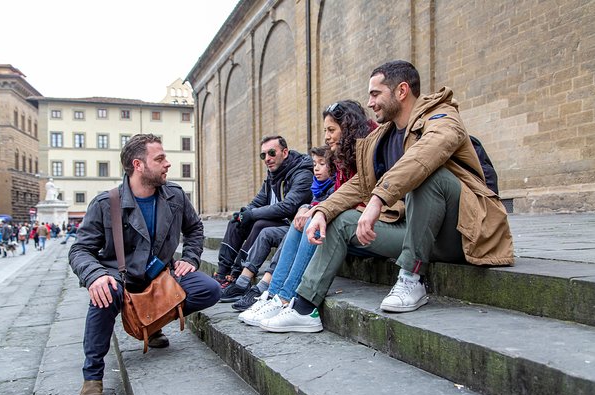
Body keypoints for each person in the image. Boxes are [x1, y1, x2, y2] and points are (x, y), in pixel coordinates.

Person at [257, 60, 514, 333]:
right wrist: (322, 211)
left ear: (401, 91)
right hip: (412, 230)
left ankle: (411, 278)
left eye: (376, 94)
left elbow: (423, 156)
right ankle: (305, 308)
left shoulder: (442, 117)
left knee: (428, 175)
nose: (370, 102)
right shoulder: (381, 138)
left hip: (461, 232)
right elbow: (359, 183)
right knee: (341, 221)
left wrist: (377, 200)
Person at [69, 133, 220, 395]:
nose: (168, 164)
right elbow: (79, 250)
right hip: (120, 277)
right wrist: (95, 275)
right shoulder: (106, 203)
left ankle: (151, 325)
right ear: (138, 165)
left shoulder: (174, 196)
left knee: (209, 289)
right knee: (104, 293)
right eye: (159, 158)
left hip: (159, 274)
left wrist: (190, 257)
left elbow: (195, 229)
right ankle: (92, 377)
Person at [237, 100, 373, 321]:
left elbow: (354, 194)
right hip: (351, 225)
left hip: (368, 227)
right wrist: (310, 208)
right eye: (325, 131)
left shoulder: (368, 149)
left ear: (348, 128)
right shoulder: (343, 158)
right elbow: (340, 194)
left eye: (331, 130)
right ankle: (275, 295)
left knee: (311, 220)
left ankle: (286, 298)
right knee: (301, 219)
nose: (327, 137)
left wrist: (317, 210)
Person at [215, 135, 314, 300]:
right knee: (237, 222)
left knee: (260, 223)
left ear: (285, 152)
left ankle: (237, 275)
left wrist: (252, 214)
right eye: (263, 155)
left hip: (294, 227)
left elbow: (287, 206)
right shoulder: (272, 175)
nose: (267, 159)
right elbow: (258, 202)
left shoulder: (302, 173)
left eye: (272, 153)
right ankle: (222, 274)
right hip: (278, 222)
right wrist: (244, 213)